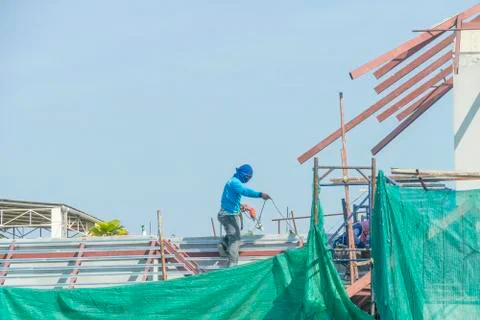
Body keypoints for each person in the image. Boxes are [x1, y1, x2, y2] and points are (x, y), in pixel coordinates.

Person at [218, 164, 270, 267]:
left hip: (230, 214)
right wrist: (260, 194)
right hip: (229, 215)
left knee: (236, 233)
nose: (248, 179)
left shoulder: (233, 182)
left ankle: (224, 243)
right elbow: (245, 191)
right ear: (243, 174)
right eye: (248, 177)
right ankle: (233, 264)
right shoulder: (235, 183)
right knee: (235, 240)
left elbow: (229, 199)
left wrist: (242, 206)